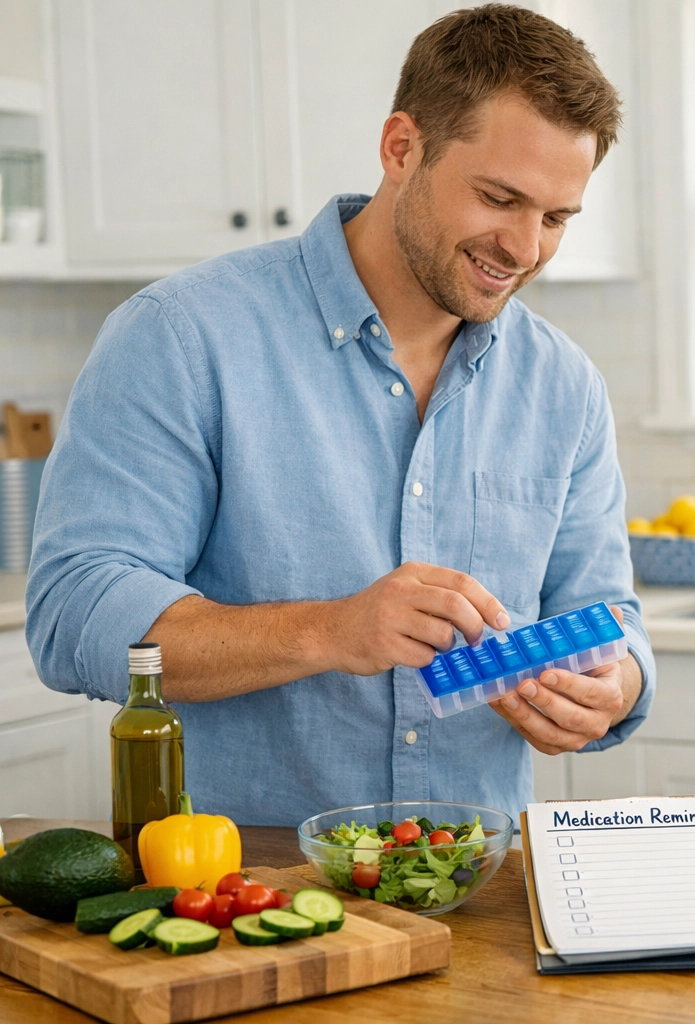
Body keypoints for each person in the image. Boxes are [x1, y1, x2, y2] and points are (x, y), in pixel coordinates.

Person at [25, 6, 654, 825]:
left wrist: (613, 686)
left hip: (471, 884)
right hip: (240, 887)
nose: (525, 247)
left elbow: (608, 619)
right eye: (500, 198)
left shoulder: (564, 386)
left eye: (557, 217)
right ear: (402, 148)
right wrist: (330, 630)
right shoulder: (183, 335)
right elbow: (75, 612)